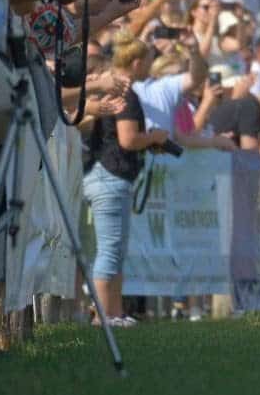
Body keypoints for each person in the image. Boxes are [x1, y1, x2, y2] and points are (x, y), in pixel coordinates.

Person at [81, 36, 173, 327]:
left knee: (115, 249)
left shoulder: (105, 92)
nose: (150, 66)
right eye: (148, 61)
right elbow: (128, 139)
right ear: (136, 62)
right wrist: (154, 138)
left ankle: (115, 313)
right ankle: (103, 315)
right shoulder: (126, 93)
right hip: (111, 174)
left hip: (97, 173)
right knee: (110, 249)